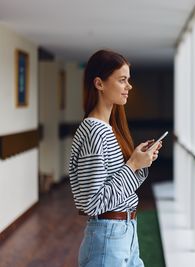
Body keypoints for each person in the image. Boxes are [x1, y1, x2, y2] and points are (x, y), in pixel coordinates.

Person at [68, 49, 162, 267]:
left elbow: (118, 190)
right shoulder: (95, 130)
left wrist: (140, 162)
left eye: (128, 80)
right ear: (99, 84)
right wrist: (132, 166)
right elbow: (93, 203)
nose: (129, 87)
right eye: (122, 80)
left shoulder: (107, 129)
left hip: (124, 230)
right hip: (108, 237)